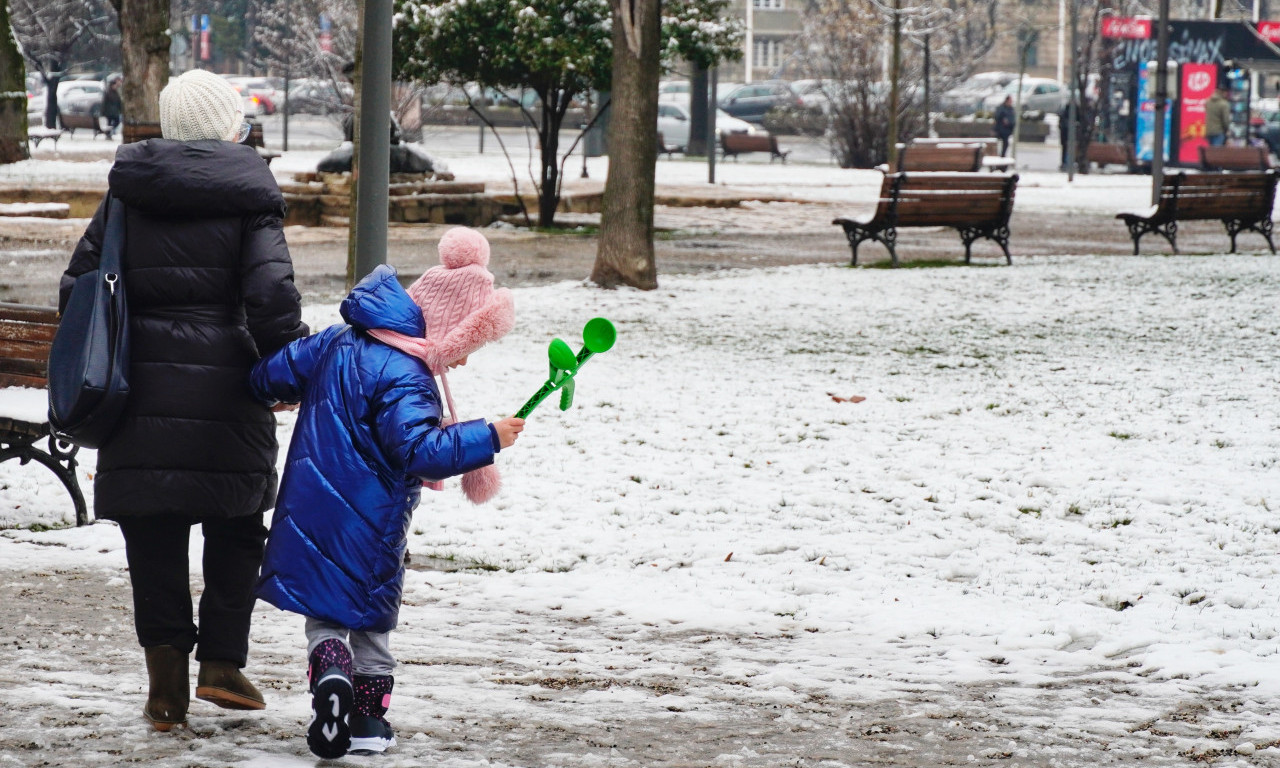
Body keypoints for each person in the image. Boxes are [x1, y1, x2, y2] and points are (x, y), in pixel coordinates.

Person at [59, 68, 308, 731]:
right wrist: (290, 370)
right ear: (230, 124)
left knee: (154, 535)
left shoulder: (127, 196)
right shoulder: (250, 194)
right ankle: (222, 663)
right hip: (229, 393)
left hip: (138, 394)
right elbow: (272, 299)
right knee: (236, 526)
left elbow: (79, 286)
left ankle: (165, 687)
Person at [248, 228, 524, 759]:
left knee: (326, 613)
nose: (463, 361)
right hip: (374, 522)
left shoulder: (338, 339)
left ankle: (331, 672)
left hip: (310, 508)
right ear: (446, 331)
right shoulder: (409, 376)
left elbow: (270, 375)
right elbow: (420, 450)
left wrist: (275, 390)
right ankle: (370, 722)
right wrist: (488, 436)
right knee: (372, 615)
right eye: (466, 347)